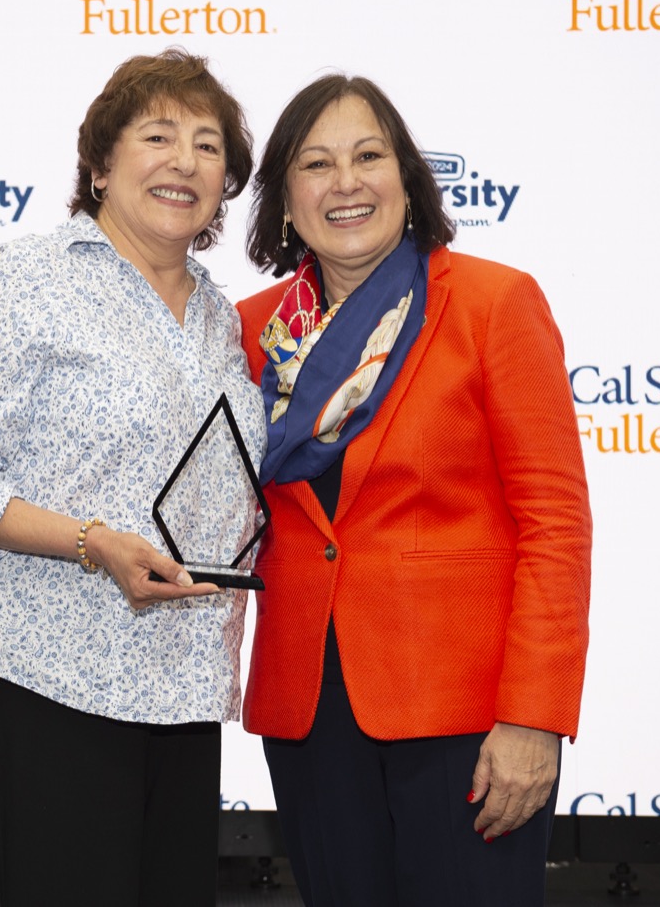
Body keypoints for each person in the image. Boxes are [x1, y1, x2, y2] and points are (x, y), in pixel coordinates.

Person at [0, 48, 264, 907]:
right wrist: (91, 542)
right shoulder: (24, 279)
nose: (185, 161)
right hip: (50, 669)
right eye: (158, 135)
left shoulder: (225, 317)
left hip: (182, 679)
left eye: (209, 145)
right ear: (101, 165)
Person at [236, 74, 592, 906]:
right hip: (309, 710)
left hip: (467, 718)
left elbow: (555, 524)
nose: (347, 182)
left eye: (369, 156)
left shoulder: (491, 303)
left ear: (408, 178)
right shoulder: (250, 328)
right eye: (317, 164)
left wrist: (534, 717)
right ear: (286, 199)